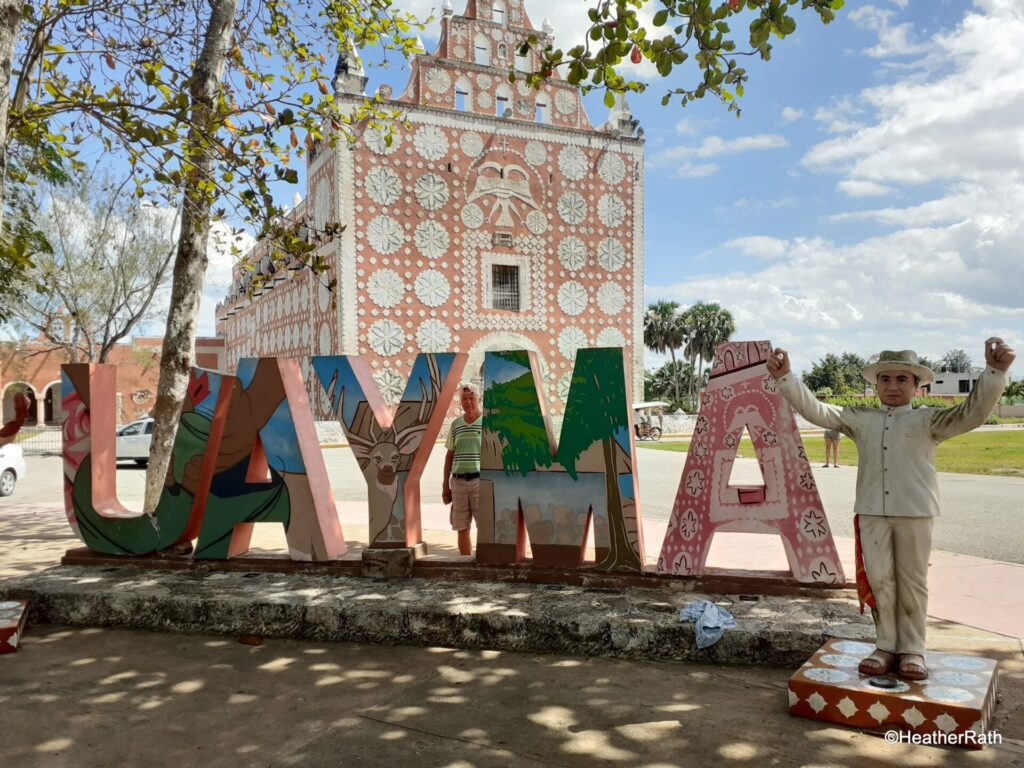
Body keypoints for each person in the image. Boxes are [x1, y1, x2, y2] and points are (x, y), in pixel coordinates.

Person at [767, 339, 1014, 681]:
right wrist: (786, 378)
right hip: (871, 511)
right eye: (886, 379)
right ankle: (885, 645)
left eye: (902, 379)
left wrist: (994, 372)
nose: (893, 386)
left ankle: (912, 649)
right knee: (880, 579)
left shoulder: (929, 421)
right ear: (876, 384)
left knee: (912, 581)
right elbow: (818, 411)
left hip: (915, 511)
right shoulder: (859, 419)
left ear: (916, 385)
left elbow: (972, 413)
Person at [442, 383, 482, 556]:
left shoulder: (488, 423)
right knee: (461, 526)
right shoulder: (456, 424)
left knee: (484, 526)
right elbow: (449, 456)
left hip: (480, 482)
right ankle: (465, 562)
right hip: (458, 482)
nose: (468, 402)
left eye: (471, 398)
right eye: (464, 399)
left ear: (479, 398)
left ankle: (481, 563)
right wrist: (445, 486)